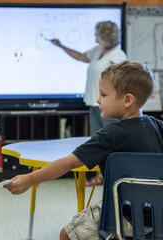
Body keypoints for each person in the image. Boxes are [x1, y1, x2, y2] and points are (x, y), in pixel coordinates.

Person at [4, 61, 163, 240]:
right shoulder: (159, 126)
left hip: (122, 216)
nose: (97, 99)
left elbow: (70, 162)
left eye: (103, 94)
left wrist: (30, 179)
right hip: (160, 216)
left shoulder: (109, 135)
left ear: (127, 100)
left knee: (65, 235)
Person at [51, 21, 127, 185]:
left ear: (104, 36)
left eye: (96, 34)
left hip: (109, 105)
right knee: (97, 141)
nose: (94, 36)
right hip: (94, 102)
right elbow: (80, 56)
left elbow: (124, 76)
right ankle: (102, 175)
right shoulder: (98, 51)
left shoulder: (117, 54)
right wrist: (61, 46)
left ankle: (113, 176)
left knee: (111, 141)